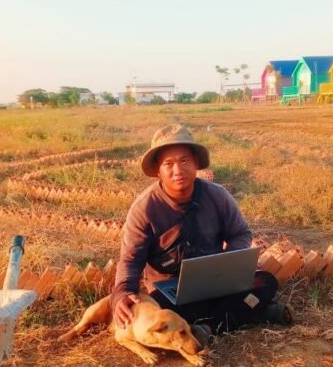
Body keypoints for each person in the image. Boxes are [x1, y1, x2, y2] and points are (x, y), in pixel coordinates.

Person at [109, 123, 292, 346]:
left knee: (265, 281)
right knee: (162, 314)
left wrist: (228, 266)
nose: (178, 170)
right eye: (169, 164)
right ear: (158, 170)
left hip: (215, 280)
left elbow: (240, 233)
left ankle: (212, 325)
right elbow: (130, 260)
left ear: (196, 163)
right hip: (170, 291)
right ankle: (248, 312)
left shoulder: (218, 196)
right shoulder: (144, 209)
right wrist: (122, 294)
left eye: (184, 161)